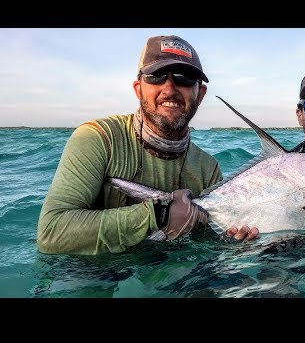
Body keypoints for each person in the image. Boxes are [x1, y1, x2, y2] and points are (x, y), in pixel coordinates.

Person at [37, 35, 259, 255]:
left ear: (200, 94)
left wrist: (233, 241)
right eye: (157, 76)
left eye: (185, 77)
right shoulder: (97, 138)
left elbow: (209, 245)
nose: (169, 89)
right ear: (138, 88)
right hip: (90, 273)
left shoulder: (208, 169)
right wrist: (158, 214)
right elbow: (51, 233)